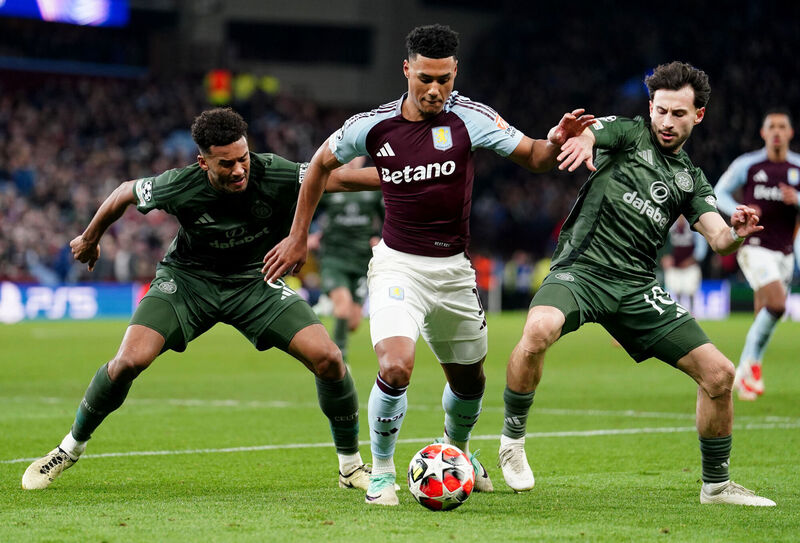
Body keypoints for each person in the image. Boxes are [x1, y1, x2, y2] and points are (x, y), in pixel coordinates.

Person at [263, 24, 596, 506]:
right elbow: (318, 165)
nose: (435, 88)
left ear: (455, 71)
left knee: (470, 381)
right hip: (398, 266)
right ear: (407, 70)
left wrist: (556, 139)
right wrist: (297, 238)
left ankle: (457, 453)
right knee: (396, 367)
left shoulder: (471, 118)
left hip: (455, 271)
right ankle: (380, 474)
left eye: (443, 78)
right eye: (424, 78)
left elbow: (536, 158)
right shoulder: (373, 125)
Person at [22, 108, 374, 491]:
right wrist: (90, 239)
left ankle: (350, 467)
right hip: (187, 282)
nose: (240, 170)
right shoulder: (179, 185)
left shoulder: (274, 170)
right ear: (202, 161)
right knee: (127, 362)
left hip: (254, 282)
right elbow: (124, 192)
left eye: (243, 158)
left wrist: (407, 177)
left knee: (329, 358)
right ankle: (68, 449)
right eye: (226, 164)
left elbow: (337, 177)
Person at [497, 61, 776, 506]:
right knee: (537, 330)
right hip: (582, 271)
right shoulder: (628, 132)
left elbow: (719, 238)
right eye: (661, 111)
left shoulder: (690, 179)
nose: (667, 122)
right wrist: (580, 138)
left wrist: (737, 232)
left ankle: (717, 486)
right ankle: (512, 443)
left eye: (678, 114)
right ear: (650, 107)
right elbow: (593, 133)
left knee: (721, 375)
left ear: (698, 116)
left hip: (636, 287)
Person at [714, 110, 800, 401]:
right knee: (777, 303)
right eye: (771, 127)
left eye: (782, 127)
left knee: (765, 313)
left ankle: (747, 373)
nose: (777, 131)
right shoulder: (748, 164)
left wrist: (796, 199)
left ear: (790, 133)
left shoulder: (798, 167)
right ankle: (750, 369)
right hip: (754, 247)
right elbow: (719, 193)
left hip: (785, 252)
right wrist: (739, 210)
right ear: (763, 133)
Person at [309, 156, 384, 363]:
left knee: (352, 323)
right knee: (342, 308)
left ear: (363, 158)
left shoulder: (374, 185)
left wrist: (380, 238)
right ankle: (340, 361)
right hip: (334, 257)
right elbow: (307, 204)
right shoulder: (331, 182)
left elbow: (389, 218)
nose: (352, 160)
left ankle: (327, 302)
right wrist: (308, 234)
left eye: (357, 155)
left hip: (362, 261)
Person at [661, 214, 708, 312]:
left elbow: (701, 247)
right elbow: (662, 244)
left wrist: (693, 259)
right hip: (674, 266)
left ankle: (692, 312)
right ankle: (679, 313)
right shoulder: (669, 227)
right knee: (676, 290)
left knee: (691, 290)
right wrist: (665, 256)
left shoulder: (694, 227)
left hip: (690, 265)